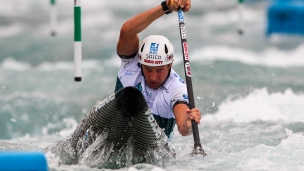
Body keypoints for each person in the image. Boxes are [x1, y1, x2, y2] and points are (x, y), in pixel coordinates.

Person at [114, 0, 201, 142]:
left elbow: (183, 127)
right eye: (148, 69)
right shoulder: (131, 64)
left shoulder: (177, 88)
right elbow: (127, 31)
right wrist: (165, 7)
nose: (153, 77)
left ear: (170, 64)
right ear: (140, 62)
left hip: (154, 156)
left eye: (159, 70)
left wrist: (189, 123)